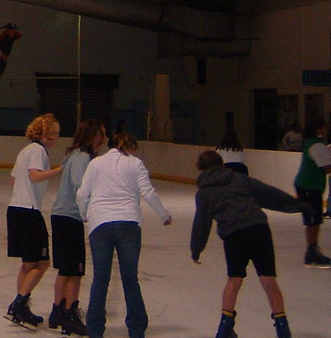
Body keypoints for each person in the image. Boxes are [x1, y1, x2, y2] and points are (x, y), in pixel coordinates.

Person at [191, 150, 314, 338]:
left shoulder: (204, 192)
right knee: (268, 279)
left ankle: (224, 330)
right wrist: (297, 205)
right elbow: (269, 194)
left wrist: (196, 249)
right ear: (221, 164)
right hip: (258, 229)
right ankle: (283, 329)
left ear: (200, 169)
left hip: (233, 235)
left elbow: (202, 222)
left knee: (234, 279)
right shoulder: (239, 179)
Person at [76, 131, 172, 338]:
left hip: (100, 223)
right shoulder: (135, 164)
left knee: (100, 280)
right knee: (130, 279)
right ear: (131, 147)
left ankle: (94, 330)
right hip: (128, 223)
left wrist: (85, 214)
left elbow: (82, 193)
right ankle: (137, 330)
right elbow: (148, 192)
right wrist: (164, 215)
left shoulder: (96, 163)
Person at [48, 119, 108, 336]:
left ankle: (58, 310)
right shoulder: (83, 158)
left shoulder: (73, 155)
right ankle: (70, 313)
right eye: (101, 134)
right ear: (92, 136)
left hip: (62, 215)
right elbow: (80, 186)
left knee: (67, 268)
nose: (104, 139)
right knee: (75, 270)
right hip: (70, 217)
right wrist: (93, 209)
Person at [5, 113, 62, 328]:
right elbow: (34, 176)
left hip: (15, 209)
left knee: (28, 263)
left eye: (57, 133)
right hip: (28, 212)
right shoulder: (38, 151)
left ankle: (22, 306)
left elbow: (13, 180)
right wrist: (59, 170)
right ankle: (18, 303)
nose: (55, 137)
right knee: (43, 261)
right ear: (43, 133)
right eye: (52, 133)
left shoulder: (26, 151)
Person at [292, 117, 331, 267]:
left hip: (308, 186)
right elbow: (326, 168)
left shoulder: (312, 143)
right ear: (318, 129)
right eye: (324, 127)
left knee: (313, 220)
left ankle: (312, 250)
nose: (326, 130)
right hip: (309, 187)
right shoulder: (316, 146)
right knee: (313, 220)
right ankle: (312, 251)